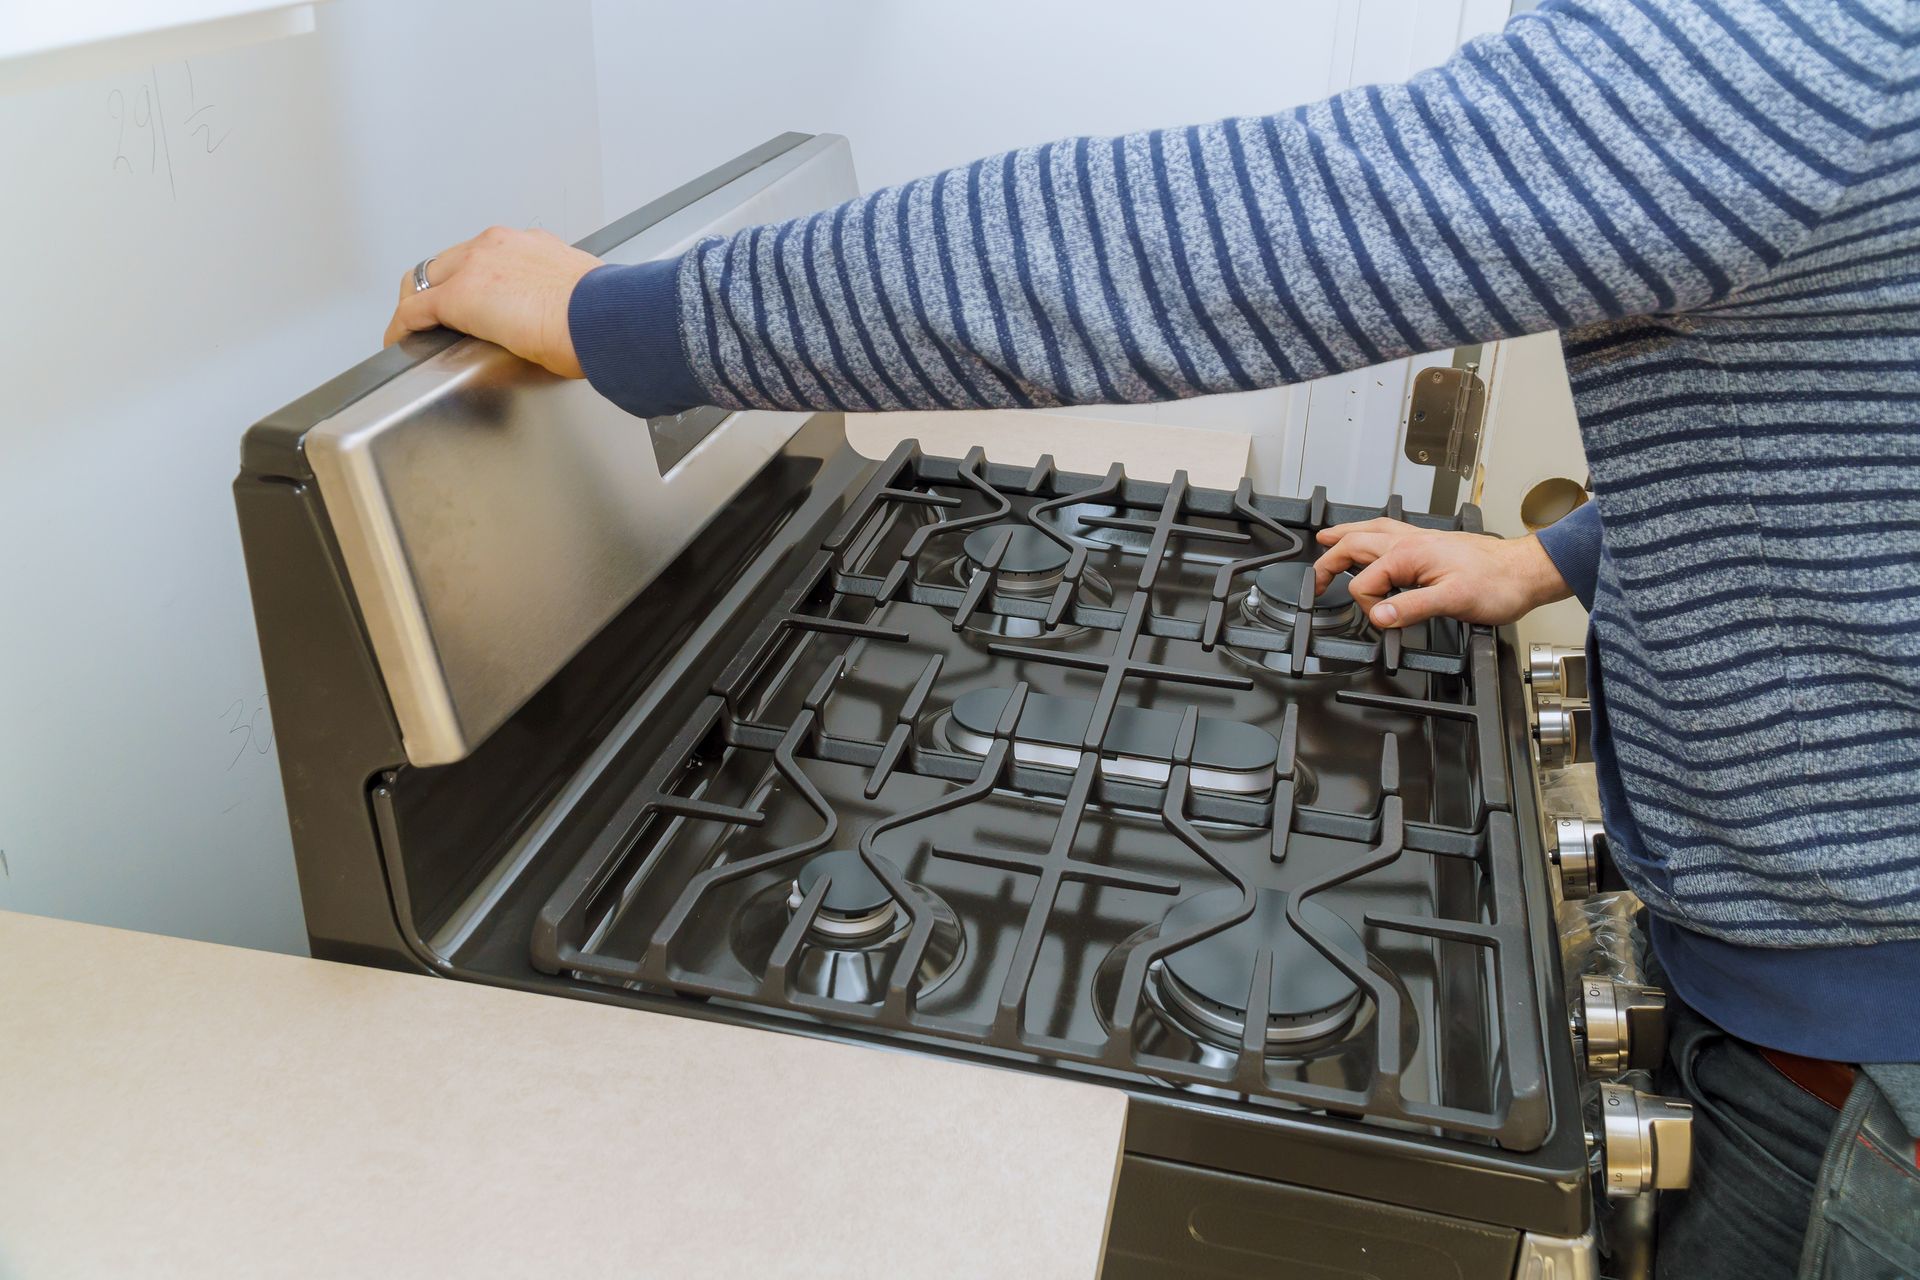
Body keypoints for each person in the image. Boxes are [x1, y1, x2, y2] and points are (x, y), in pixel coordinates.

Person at [383, 1, 1920, 1273]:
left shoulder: (1806, 30)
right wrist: (1561, 554)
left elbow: (1245, 234)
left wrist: (624, 323)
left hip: (1873, 1044)